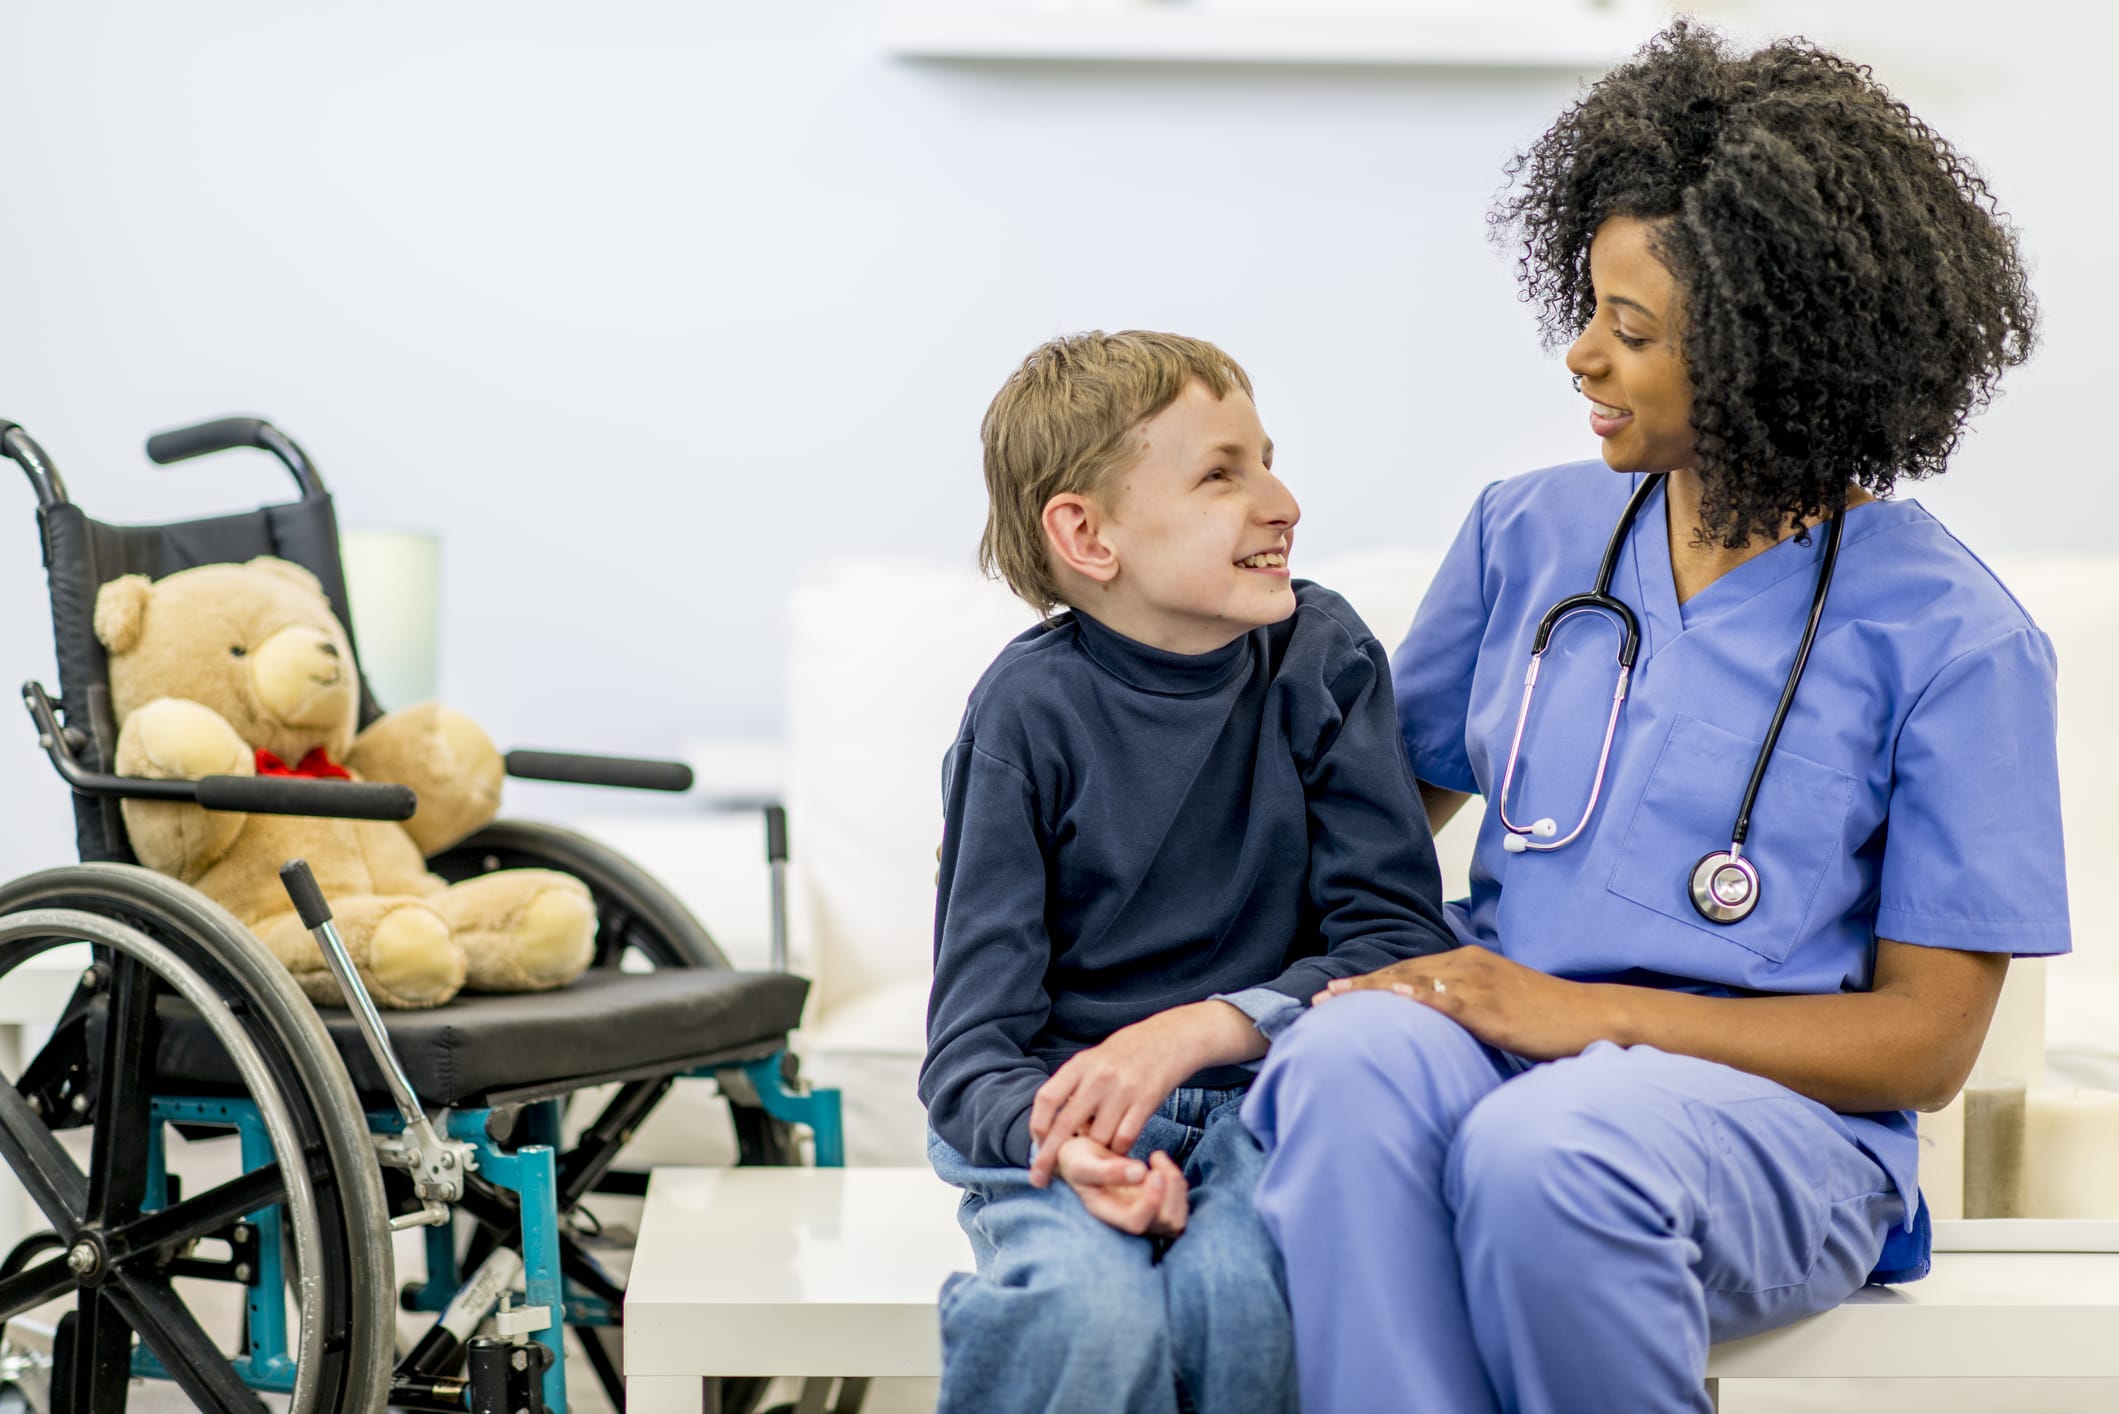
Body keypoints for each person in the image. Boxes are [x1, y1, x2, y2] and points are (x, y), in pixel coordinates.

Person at [1242, 21, 2068, 1414]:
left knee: (1551, 1149)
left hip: (1776, 1126)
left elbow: (1924, 1044)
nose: (1577, 355)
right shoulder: (1528, 532)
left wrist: (1574, 1015)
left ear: (1767, 354)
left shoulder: (1953, 640)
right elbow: (1362, 830)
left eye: (1628, 330)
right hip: (1503, 1030)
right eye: (1583, 308)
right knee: (1343, 1065)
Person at [920, 329, 1457, 1414]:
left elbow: (1399, 944)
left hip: (1277, 1101)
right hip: (1070, 1122)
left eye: (1269, 458)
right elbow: (970, 1055)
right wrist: (1064, 1145)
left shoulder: (1322, 656)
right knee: (1085, 1314)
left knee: (1242, 1296)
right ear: (1087, 533)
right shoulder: (1023, 718)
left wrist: (1207, 1027)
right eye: (1223, 472)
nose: (1283, 500)